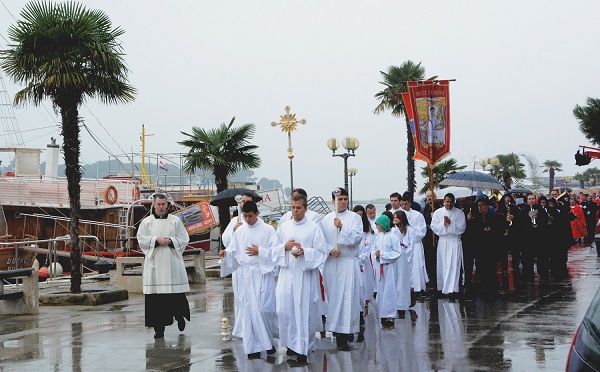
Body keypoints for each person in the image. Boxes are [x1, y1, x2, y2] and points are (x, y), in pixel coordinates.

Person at [268, 194, 327, 365]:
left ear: (305, 209)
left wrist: (304, 253)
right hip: (287, 275)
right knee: (285, 311)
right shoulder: (284, 227)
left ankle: (303, 349)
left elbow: (321, 252)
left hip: (304, 275)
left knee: (303, 312)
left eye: (298, 208)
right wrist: (284, 248)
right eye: (292, 207)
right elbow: (273, 249)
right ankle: (291, 345)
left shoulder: (313, 228)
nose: (295, 211)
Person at [218, 201, 277, 359]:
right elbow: (234, 249)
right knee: (249, 311)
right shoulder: (240, 230)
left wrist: (261, 251)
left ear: (257, 214)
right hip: (246, 275)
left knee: (264, 309)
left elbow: (276, 252)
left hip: (261, 272)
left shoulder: (268, 230)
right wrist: (226, 253)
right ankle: (253, 347)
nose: (248, 219)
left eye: (250, 216)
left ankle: (268, 342)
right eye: (245, 216)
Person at [137, 193, 190, 339]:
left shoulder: (175, 221)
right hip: (155, 265)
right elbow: (141, 239)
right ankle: (158, 329)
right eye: (158, 204)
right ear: (153, 205)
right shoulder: (147, 222)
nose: (161, 207)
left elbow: (184, 238)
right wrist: (156, 240)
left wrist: (171, 241)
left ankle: (180, 316)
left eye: (163, 204)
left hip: (171, 262)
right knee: (156, 300)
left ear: (167, 205)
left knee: (176, 295)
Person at [320, 188, 363, 351]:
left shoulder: (355, 218)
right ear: (333, 201)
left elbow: (357, 238)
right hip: (333, 262)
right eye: (339, 199)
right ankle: (337, 330)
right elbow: (321, 241)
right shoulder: (326, 219)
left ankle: (346, 333)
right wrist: (330, 249)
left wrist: (343, 227)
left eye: (345, 199)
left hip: (347, 262)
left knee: (348, 299)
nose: (343, 202)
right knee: (335, 297)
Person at [467, 195, 505, 293]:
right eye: (479, 205)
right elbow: (472, 232)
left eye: (482, 205)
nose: (480, 207)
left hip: (491, 246)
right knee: (480, 266)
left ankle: (491, 286)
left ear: (487, 206)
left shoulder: (494, 217)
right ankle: (482, 285)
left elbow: (500, 230)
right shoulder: (476, 218)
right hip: (480, 246)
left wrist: (491, 230)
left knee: (491, 267)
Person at [431, 193, 466, 297]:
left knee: (453, 265)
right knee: (443, 265)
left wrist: (451, 223)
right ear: (443, 202)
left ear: (454, 201)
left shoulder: (459, 213)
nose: (449, 204)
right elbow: (434, 227)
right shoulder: (438, 212)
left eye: (451, 202)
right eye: (447, 202)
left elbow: (462, 228)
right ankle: (443, 288)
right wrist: (443, 224)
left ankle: (453, 289)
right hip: (443, 241)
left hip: (454, 241)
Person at [373, 215, 403, 328]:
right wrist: (376, 255)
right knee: (381, 290)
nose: (377, 227)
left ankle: (390, 315)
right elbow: (374, 249)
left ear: (384, 224)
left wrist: (383, 255)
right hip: (380, 266)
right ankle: (383, 313)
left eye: (378, 224)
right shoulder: (378, 237)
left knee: (390, 290)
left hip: (389, 267)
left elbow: (397, 253)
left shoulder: (393, 237)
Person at [400, 195, 428, 300]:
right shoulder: (399, 215)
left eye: (405, 204)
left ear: (410, 204)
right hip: (404, 246)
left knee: (417, 266)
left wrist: (411, 231)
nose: (403, 206)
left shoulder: (417, 215)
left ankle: (418, 288)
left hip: (415, 244)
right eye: (401, 204)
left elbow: (422, 230)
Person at [353, 205, 375, 336]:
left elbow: (368, 248)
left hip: (362, 263)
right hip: (352, 262)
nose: (359, 217)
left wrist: (361, 260)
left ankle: (361, 311)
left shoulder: (368, 232)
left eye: (361, 215)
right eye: (357, 214)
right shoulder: (352, 230)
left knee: (362, 287)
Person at [391, 210, 412, 315]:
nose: (395, 219)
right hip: (396, 256)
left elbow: (410, 245)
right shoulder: (394, 229)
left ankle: (403, 302)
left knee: (402, 280)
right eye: (394, 217)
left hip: (404, 256)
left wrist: (406, 252)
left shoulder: (409, 229)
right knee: (396, 279)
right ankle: (396, 302)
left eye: (397, 217)